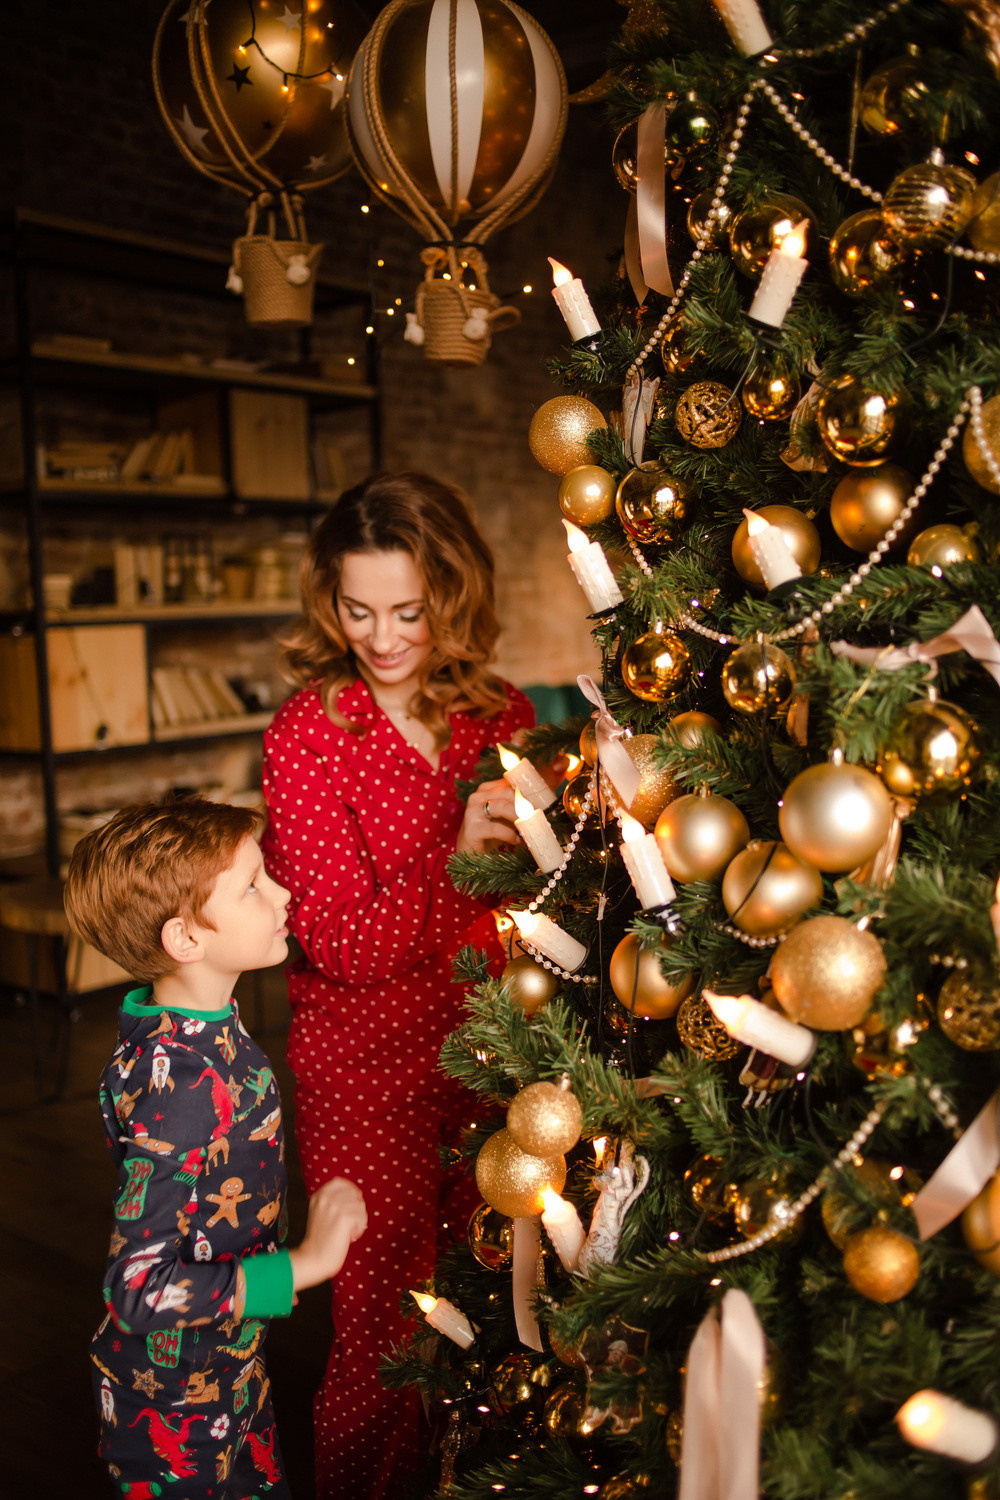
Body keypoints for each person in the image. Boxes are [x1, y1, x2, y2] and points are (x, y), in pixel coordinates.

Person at [260, 471, 537, 1499]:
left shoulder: (496, 714)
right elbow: (335, 942)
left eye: (409, 612)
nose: (381, 638)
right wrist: (455, 854)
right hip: (363, 1074)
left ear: (452, 595)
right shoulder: (307, 733)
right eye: (357, 608)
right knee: (383, 1341)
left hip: (490, 1056)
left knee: (499, 1306)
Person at [64, 796, 367, 1500]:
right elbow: (134, 1289)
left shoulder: (199, 1028)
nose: (284, 892)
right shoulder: (184, 1084)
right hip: (174, 1405)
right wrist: (305, 1264)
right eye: (255, 886)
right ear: (186, 940)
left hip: (228, 1363)